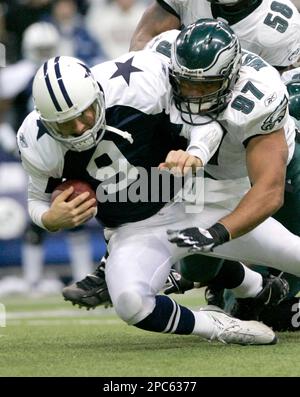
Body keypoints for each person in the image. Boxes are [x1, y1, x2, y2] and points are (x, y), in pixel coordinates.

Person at [17, 51, 289, 345]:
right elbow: (35, 199)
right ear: (47, 122)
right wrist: (49, 218)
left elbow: (206, 123)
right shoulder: (36, 140)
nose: (80, 128)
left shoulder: (138, 83)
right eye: (65, 124)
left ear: (98, 95)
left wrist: (195, 153)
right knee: (130, 302)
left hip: (198, 202)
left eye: (85, 113)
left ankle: (253, 286)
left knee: (296, 254)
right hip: (135, 231)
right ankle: (216, 325)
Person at [130, 0, 300, 72]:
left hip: (234, 106)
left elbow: (272, 92)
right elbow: (143, 42)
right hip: (173, 85)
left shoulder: (277, 28)